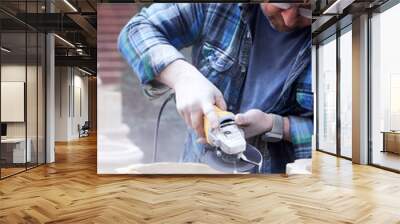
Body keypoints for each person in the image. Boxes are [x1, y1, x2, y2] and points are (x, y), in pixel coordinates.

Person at [118, 2, 313, 173]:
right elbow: (135, 31)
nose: (288, 20)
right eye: (283, 4)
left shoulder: (337, 33)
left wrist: (276, 126)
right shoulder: (217, 5)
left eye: (306, 9)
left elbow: (339, 138)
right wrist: (182, 76)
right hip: (198, 171)